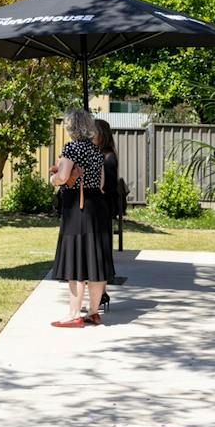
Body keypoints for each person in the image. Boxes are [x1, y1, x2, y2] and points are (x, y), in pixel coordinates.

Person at [49, 109, 111, 327]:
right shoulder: (96, 150)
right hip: (97, 207)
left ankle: (74, 314)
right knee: (95, 258)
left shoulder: (71, 148)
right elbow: (102, 183)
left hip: (78, 207)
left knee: (76, 258)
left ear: (71, 126)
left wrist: (53, 179)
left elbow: (64, 176)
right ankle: (93, 312)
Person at [93, 118, 121, 308]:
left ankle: (102, 293)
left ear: (101, 134)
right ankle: (101, 294)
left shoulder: (108, 157)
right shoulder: (99, 155)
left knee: (101, 250)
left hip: (101, 209)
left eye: (93, 132)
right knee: (98, 250)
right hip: (97, 208)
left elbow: (108, 187)